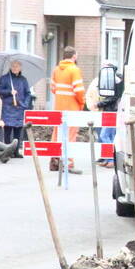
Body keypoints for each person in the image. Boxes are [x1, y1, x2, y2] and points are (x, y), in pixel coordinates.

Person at [50, 46, 85, 174]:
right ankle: (68, 164)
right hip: (72, 108)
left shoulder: (56, 70)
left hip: (58, 108)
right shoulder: (75, 70)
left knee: (56, 134)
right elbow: (79, 91)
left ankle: (54, 161)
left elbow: (53, 89)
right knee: (70, 137)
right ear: (74, 56)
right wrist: (82, 103)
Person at [0, 60, 32, 156]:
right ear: (10, 67)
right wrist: (9, 92)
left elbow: (28, 93)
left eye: (17, 66)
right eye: (13, 66)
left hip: (19, 107)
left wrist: (25, 104)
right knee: (8, 130)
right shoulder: (4, 78)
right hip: (8, 107)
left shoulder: (23, 80)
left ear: (20, 68)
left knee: (18, 130)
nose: (15, 68)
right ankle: (8, 151)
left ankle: (16, 152)